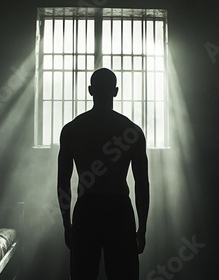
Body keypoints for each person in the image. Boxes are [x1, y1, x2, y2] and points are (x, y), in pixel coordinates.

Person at [57, 68, 150, 280]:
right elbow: (142, 184)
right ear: (116, 91)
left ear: (90, 90)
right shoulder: (131, 131)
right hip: (119, 210)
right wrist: (142, 227)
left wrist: (66, 223)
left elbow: (63, 183)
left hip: (87, 210)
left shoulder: (72, 130)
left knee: (83, 274)